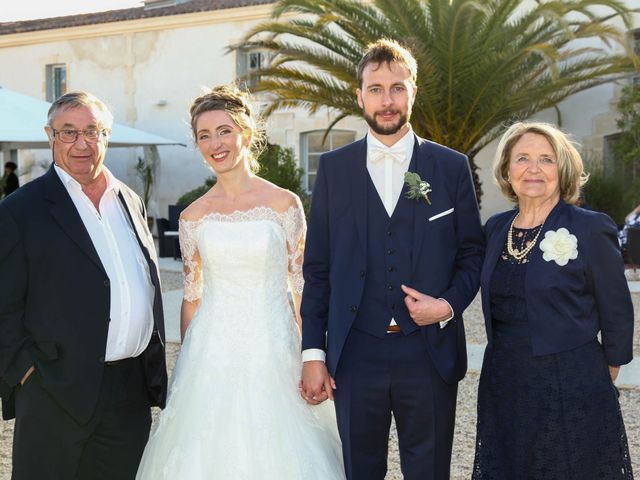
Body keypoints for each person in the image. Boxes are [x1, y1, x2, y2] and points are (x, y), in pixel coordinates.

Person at [135, 85, 345, 479]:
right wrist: (186, 369)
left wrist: (312, 356)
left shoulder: (284, 203)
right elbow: (192, 298)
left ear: (246, 134)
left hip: (274, 347)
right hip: (211, 355)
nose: (216, 143)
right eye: (204, 135)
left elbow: (301, 287)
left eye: (224, 131)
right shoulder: (192, 216)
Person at [300, 39, 485, 480]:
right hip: (354, 352)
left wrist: (447, 306)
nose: (387, 100)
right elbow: (319, 268)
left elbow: (473, 254)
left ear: (413, 93)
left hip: (428, 352)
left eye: (397, 88)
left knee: (430, 469)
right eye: (376, 88)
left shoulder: (451, 167)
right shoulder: (333, 169)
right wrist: (313, 352)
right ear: (359, 95)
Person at [0, 91, 168, 480]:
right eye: (69, 132)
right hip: (53, 391)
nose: (82, 143)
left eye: (93, 131)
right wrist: (25, 375)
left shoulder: (129, 200)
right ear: (50, 136)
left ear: (106, 136)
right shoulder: (19, 211)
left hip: (129, 393)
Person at [473, 122, 634, 479]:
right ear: (506, 170)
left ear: (562, 170)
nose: (533, 168)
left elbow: (616, 307)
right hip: (505, 377)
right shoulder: (496, 228)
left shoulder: (590, 227)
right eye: (523, 158)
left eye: (546, 159)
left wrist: (604, 368)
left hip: (571, 379)